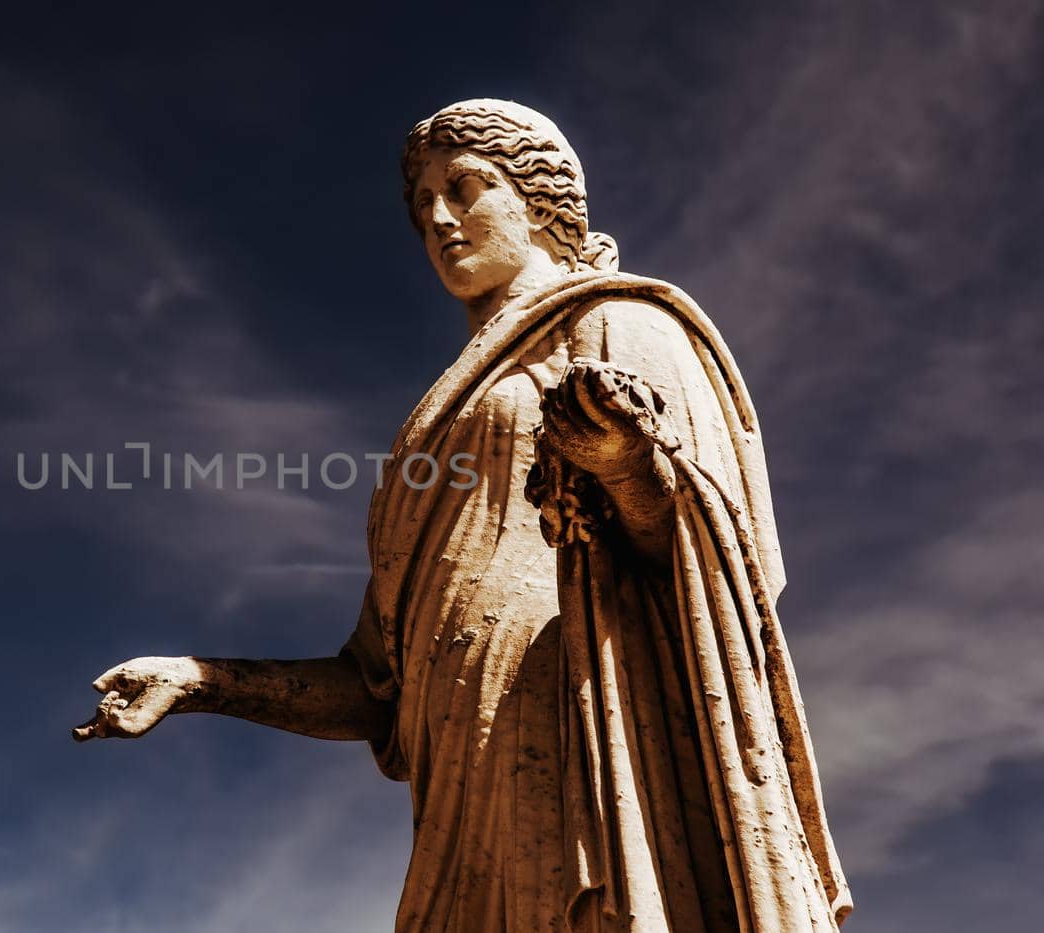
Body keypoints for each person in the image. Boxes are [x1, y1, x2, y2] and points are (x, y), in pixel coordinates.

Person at [73, 99, 851, 933]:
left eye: (466, 186)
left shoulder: (618, 320)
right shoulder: (436, 420)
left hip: (590, 739)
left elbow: (713, 558)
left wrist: (627, 463)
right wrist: (203, 681)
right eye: (422, 206)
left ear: (539, 199)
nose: (439, 217)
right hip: (466, 781)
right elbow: (380, 687)